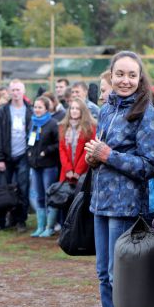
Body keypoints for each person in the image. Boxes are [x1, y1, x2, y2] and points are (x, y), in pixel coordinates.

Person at [84, 51, 154, 307]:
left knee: (121, 278)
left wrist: (108, 155)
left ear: (140, 77)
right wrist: (94, 158)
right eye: (120, 74)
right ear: (111, 75)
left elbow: (149, 164)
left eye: (131, 75)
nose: (125, 80)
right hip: (100, 202)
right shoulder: (107, 108)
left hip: (127, 206)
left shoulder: (145, 112)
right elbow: (102, 152)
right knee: (104, 274)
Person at [0, 79, 32, 233]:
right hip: (6, 156)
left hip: (23, 155)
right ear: (9, 92)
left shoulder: (30, 110)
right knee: (1, 188)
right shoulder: (2, 111)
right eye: (13, 90)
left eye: (18, 90)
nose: (15, 93)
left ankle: (20, 220)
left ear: (23, 92)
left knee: (22, 188)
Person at [58, 97, 96, 226]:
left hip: (83, 171)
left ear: (83, 111)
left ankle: (78, 227)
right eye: (72, 108)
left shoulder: (90, 127)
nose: (74, 111)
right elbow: (62, 148)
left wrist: (78, 171)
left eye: (77, 109)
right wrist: (68, 169)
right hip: (67, 172)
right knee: (65, 198)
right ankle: (65, 226)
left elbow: (88, 149)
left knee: (80, 200)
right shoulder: (63, 126)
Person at [27, 96, 60, 238]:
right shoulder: (32, 123)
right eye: (35, 107)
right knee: (39, 196)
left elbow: (59, 144)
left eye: (40, 107)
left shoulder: (53, 124)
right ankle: (40, 226)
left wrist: (46, 151)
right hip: (35, 165)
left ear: (47, 108)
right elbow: (29, 140)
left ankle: (50, 227)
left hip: (49, 166)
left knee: (49, 196)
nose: (37, 110)